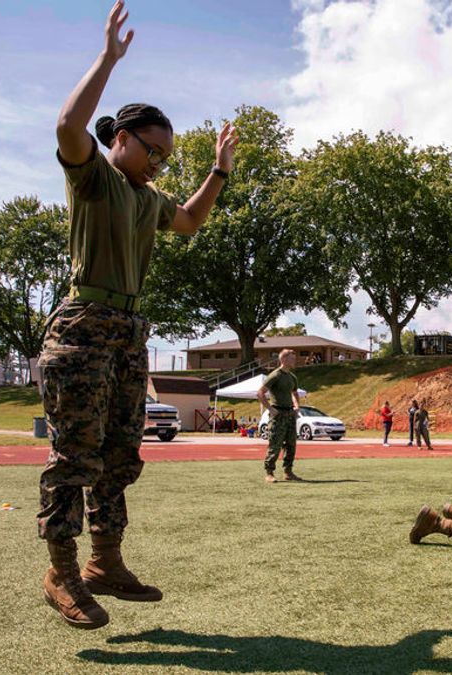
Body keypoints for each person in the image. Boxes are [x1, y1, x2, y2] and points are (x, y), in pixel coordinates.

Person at [37, 1, 239, 631]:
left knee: (122, 454)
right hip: (83, 326)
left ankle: (105, 563)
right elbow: (69, 125)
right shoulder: (94, 176)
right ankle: (61, 574)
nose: (158, 163)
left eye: (166, 157)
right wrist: (108, 59)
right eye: (152, 150)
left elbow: (190, 221)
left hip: (127, 333)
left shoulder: (149, 198)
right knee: (76, 455)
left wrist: (217, 171)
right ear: (120, 138)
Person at [257, 349, 303, 483]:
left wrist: (296, 406)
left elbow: (295, 393)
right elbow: (260, 393)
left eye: (294, 358)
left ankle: (288, 472)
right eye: (291, 358)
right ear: (283, 360)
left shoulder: (292, 377)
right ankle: (269, 473)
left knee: (291, 444)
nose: (294, 361)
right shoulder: (275, 375)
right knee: (275, 444)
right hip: (278, 414)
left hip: (290, 414)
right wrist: (270, 409)